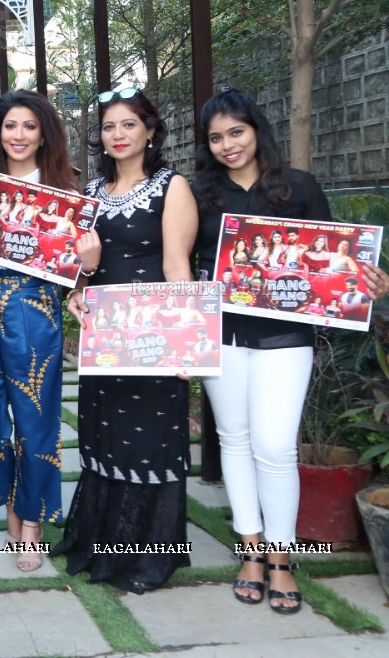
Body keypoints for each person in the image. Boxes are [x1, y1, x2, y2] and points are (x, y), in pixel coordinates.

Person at [191, 87, 389, 613]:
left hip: (284, 337)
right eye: (216, 138)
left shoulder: (299, 187)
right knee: (234, 439)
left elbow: (334, 265)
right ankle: (251, 552)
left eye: (236, 132)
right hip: (223, 335)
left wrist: (367, 283)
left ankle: (281, 559)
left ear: (256, 129)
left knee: (275, 447)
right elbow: (182, 261)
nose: (228, 145)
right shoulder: (201, 194)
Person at [57, 87, 199, 594]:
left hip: (154, 338)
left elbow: (177, 266)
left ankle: (148, 555)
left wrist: (185, 344)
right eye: (109, 126)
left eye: (128, 125)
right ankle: (100, 540)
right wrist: (79, 288)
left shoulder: (171, 186)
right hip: (106, 338)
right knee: (106, 435)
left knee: (150, 438)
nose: (117, 135)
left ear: (150, 132)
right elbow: (82, 266)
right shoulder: (92, 193)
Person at [0, 90, 79, 572]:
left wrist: (85, 268)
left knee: (34, 421)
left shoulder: (63, 191)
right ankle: (9, 501)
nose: (20, 135)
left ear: (44, 133)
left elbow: (77, 264)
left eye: (30, 126)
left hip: (35, 313)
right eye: (11, 126)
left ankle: (30, 519)